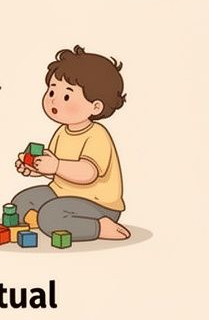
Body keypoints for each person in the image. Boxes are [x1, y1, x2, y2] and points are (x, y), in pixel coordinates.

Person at [11, 46, 132, 241]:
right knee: (19, 204)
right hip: (61, 193)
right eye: (52, 92)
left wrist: (56, 165)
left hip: (98, 204)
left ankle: (100, 227)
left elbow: (88, 172)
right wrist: (36, 168)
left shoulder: (97, 135)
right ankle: (41, 221)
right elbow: (56, 170)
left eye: (66, 96)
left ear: (96, 106)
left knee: (51, 215)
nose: (54, 101)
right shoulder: (62, 132)